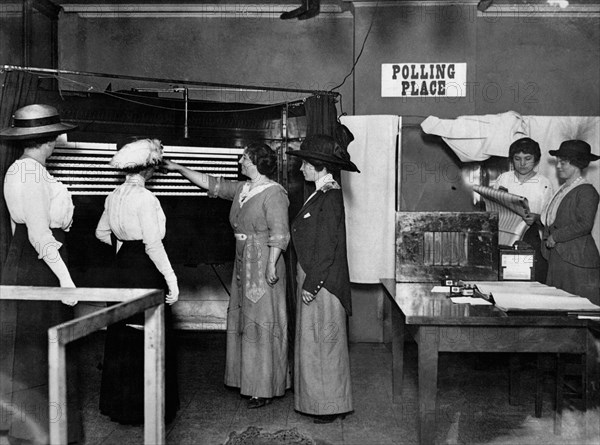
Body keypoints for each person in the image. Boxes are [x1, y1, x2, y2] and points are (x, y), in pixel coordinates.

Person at [162, 142, 290, 408]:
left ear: (256, 161)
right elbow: (210, 183)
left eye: (244, 157)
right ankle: (247, 380)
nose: (240, 160)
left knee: (262, 321)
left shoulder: (275, 193)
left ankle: (264, 387)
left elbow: (280, 233)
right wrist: (176, 167)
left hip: (264, 261)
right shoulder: (243, 189)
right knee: (244, 318)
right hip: (243, 260)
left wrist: (271, 266)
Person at [0, 104, 82, 444]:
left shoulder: (23, 169)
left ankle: (37, 430)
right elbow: (38, 235)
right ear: (49, 139)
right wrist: (65, 279)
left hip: (30, 263)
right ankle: (39, 432)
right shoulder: (30, 174)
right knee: (39, 352)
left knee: (37, 350)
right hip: (40, 266)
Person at [95, 137, 180, 424]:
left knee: (122, 335)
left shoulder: (113, 194)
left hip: (120, 269)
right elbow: (153, 246)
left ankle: (121, 406)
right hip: (144, 270)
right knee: (149, 336)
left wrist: (123, 248)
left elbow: (100, 233)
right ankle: (148, 409)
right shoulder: (146, 198)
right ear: (149, 169)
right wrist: (172, 280)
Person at [286, 134, 358, 424]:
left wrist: (311, 284)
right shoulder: (321, 192)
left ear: (316, 166)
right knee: (316, 345)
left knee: (324, 345)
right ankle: (321, 403)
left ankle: (330, 406)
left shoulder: (329, 196)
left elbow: (327, 247)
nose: (301, 169)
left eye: (304, 163)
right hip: (318, 278)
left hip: (324, 283)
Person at [541, 139, 600, 305]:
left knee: (578, 310)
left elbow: (585, 224)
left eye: (563, 162)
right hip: (560, 258)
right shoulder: (565, 188)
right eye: (558, 162)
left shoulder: (587, 191)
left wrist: (556, 236)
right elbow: (556, 217)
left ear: (577, 164)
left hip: (576, 260)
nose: (558, 166)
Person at [492, 137, 553, 282]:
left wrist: (536, 218)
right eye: (517, 159)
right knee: (504, 277)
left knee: (528, 278)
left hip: (530, 236)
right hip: (504, 235)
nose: (522, 163)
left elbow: (549, 216)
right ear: (512, 160)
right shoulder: (503, 179)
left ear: (536, 160)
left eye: (528, 158)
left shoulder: (544, 183)